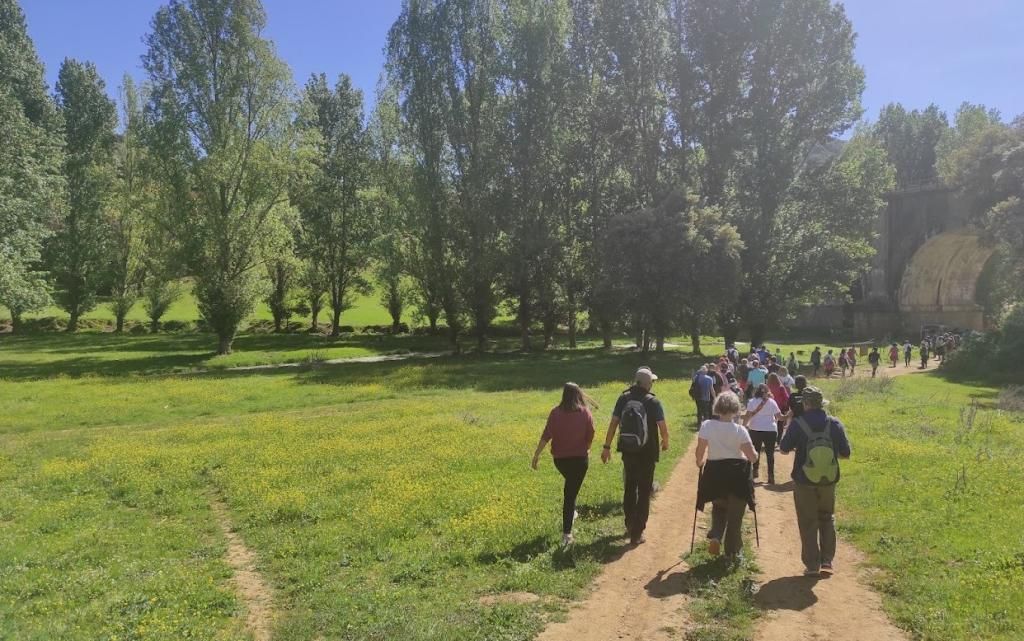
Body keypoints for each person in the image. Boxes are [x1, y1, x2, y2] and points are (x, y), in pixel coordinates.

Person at [779, 387, 852, 577]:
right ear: (822, 403)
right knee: (827, 517)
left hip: (804, 480)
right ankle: (827, 561)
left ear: (806, 404)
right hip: (828, 480)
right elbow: (846, 454)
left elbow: (784, 449)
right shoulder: (835, 423)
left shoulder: (798, 423)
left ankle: (812, 565)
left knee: (807, 520)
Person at [601, 367, 669, 545]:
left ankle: (630, 523)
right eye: (652, 381)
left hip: (628, 450)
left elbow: (613, 423)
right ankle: (637, 533)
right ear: (647, 384)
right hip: (647, 452)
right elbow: (662, 426)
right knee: (644, 490)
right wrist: (665, 441)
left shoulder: (623, 398)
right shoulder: (653, 402)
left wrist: (606, 446)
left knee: (630, 487)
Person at [531, 383, 597, 546]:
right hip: (580, 460)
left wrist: (536, 455)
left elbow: (547, 434)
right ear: (578, 395)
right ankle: (567, 534)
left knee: (571, 489)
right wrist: (587, 448)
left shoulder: (555, 412)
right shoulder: (585, 413)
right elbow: (591, 433)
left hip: (560, 461)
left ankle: (571, 513)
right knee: (570, 494)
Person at [695, 392, 758, 557]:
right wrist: (755, 455)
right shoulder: (740, 430)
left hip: (715, 474)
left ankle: (716, 535)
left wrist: (699, 462)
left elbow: (700, 451)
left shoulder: (707, 425)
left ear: (717, 408)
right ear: (736, 409)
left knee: (719, 507)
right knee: (735, 518)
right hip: (737, 475)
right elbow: (752, 457)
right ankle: (732, 552)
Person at [743, 383, 784, 485]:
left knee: (755, 451)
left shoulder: (752, 402)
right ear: (767, 391)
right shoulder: (772, 402)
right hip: (770, 429)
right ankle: (771, 476)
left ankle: (755, 471)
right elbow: (780, 417)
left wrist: (743, 426)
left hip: (755, 429)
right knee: (770, 454)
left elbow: (748, 416)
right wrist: (790, 415)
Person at [767, 372, 791, 438]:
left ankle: (771, 437)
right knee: (780, 424)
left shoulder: (767, 387)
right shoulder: (781, 387)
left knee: (771, 422)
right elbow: (786, 397)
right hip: (780, 407)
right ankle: (779, 439)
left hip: (770, 406)